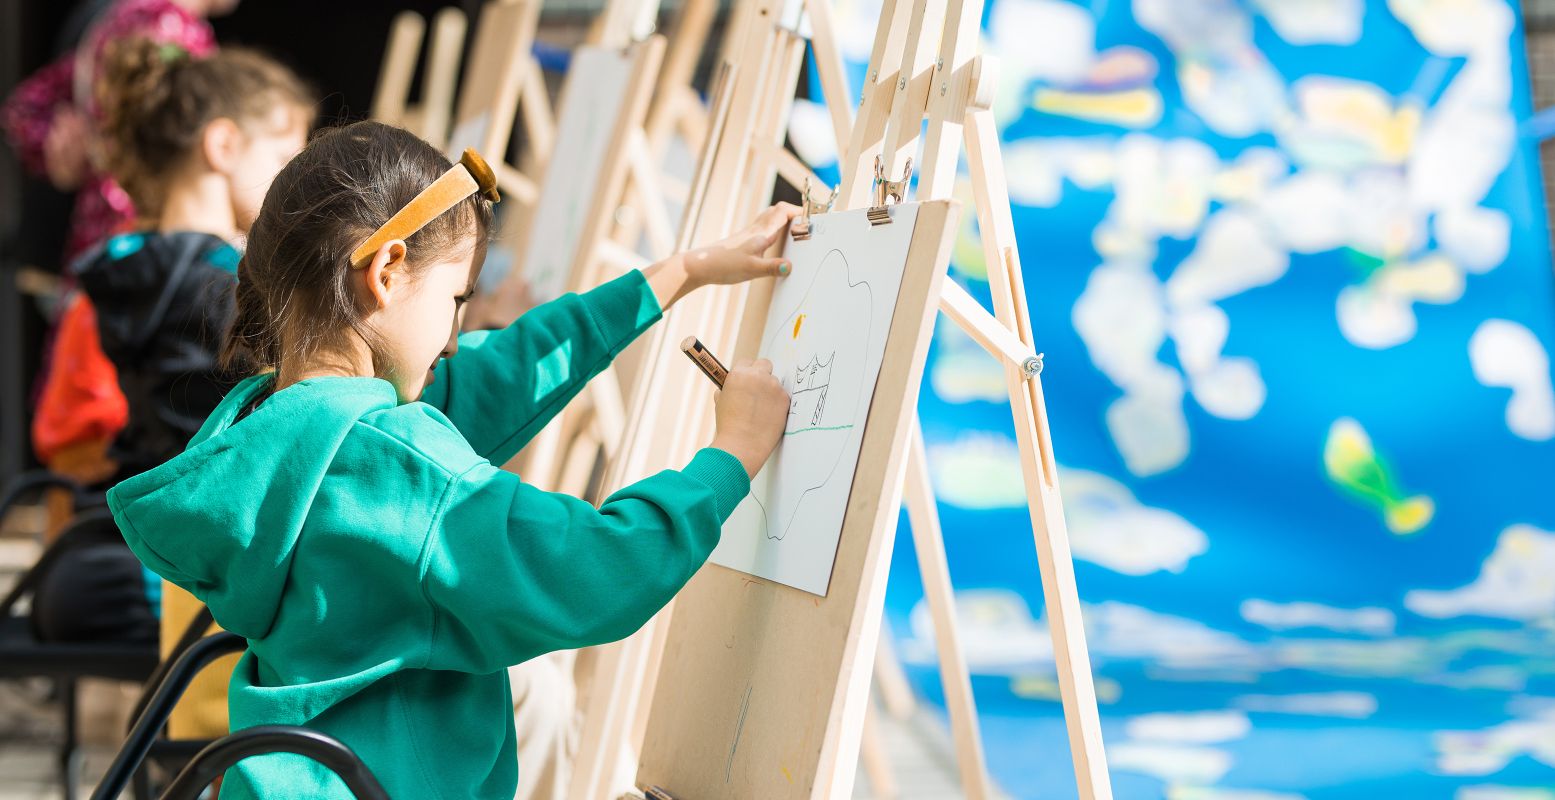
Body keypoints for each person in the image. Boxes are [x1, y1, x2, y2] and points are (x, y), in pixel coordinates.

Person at [109, 119, 797, 799]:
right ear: (386, 271)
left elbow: (493, 378)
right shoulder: (397, 467)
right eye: (455, 301)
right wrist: (731, 452)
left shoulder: (274, 435)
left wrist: (678, 273)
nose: (454, 340)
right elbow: (597, 568)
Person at [37, 37, 312, 742]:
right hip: (151, 581)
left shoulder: (137, 266)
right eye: (284, 162)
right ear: (222, 145)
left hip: (93, 562)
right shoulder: (222, 286)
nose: (296, 191)